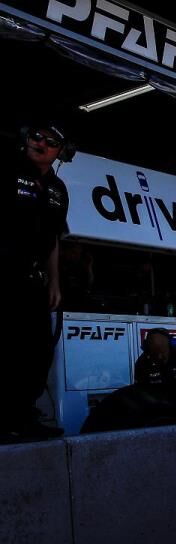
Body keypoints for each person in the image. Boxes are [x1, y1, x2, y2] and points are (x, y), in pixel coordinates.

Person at [1, 121, 70, 443]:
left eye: (51, 141)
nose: (40, 143)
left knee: (39, 351)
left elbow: (54, 239)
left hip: (34, 281)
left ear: (61, 152)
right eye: (36, 136)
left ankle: (22, 417)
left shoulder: (58, 189)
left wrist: (54, 282)